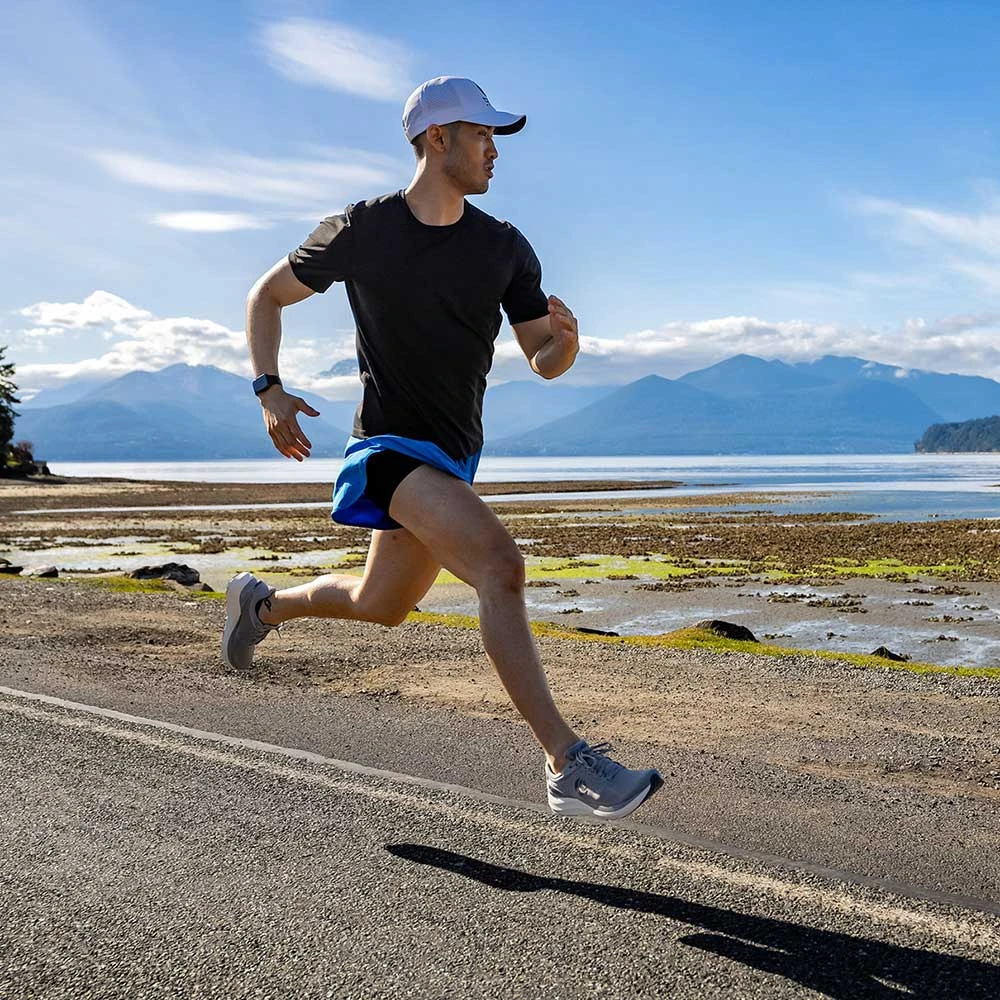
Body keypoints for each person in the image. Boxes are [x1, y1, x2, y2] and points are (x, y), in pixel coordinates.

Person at [223, 77, 662, 820]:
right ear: (437, 138)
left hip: (454, 458)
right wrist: (269, 389)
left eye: (494, 136)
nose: (494, 150)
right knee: (501, 567)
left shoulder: (504, 248)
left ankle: (262, 608)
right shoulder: (363, 228)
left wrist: (567, 342)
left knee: (380, 604)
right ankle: (567, 762)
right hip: (387, 449)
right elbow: (266, 295)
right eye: (481, 134)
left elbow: (542, 359)